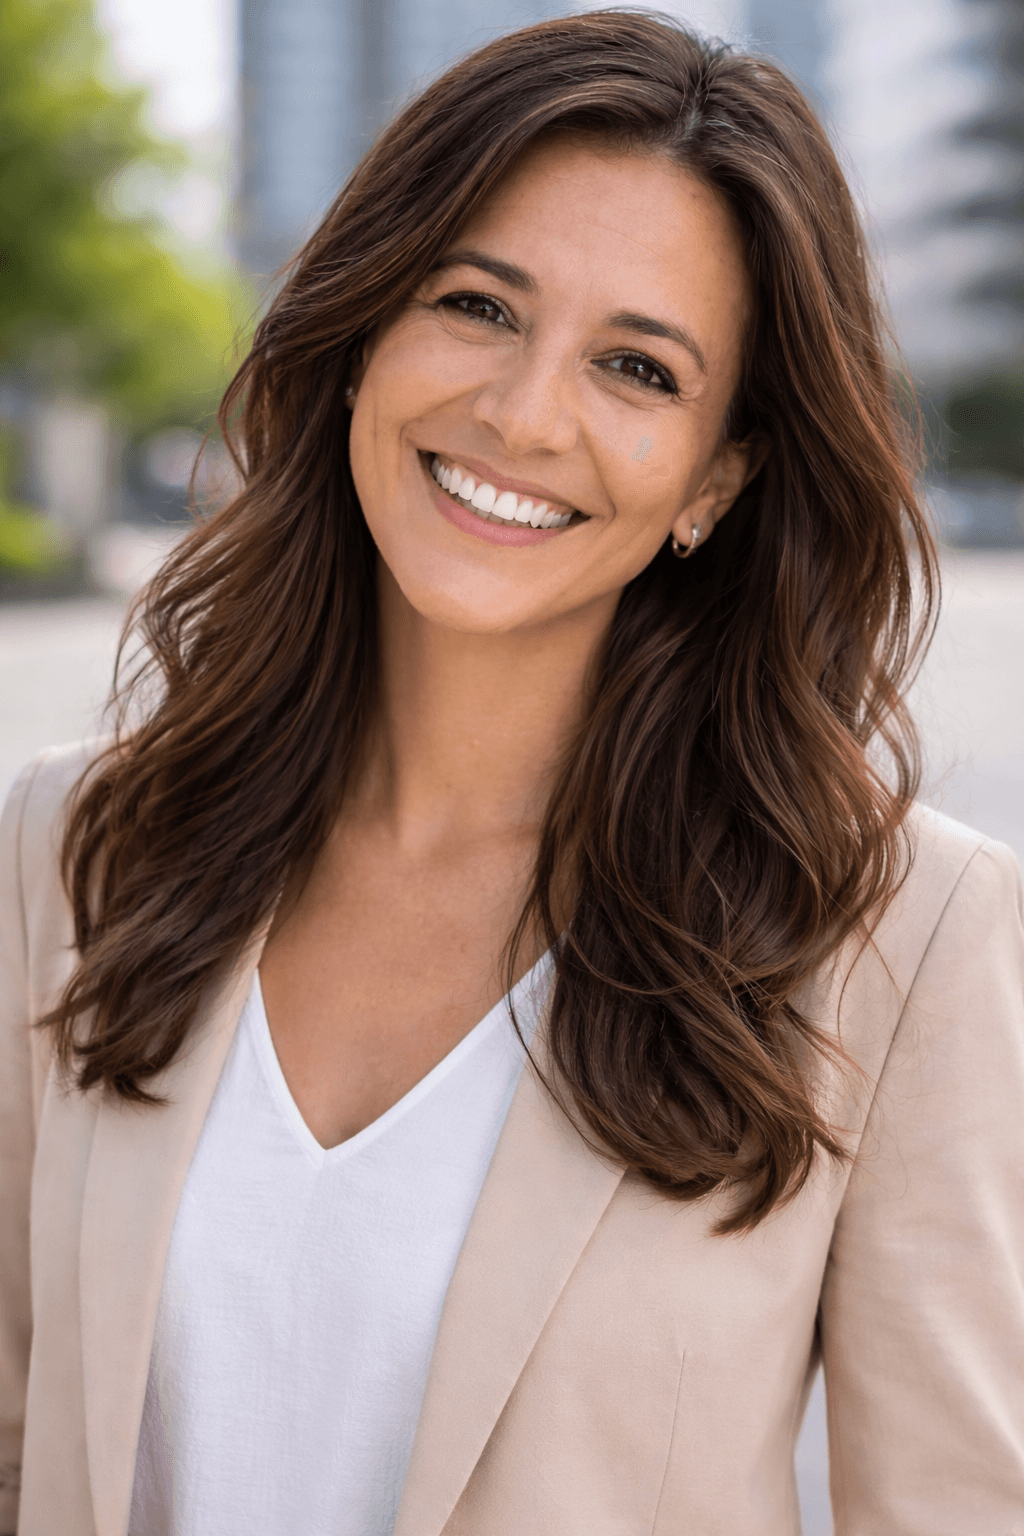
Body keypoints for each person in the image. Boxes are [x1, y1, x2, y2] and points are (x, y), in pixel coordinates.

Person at [2, 10, 1022, 1534]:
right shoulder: (79, 843)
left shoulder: (898, 936)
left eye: (637, 368)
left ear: (718, 478)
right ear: (359, 336)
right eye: (478, 305)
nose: (527, 415)